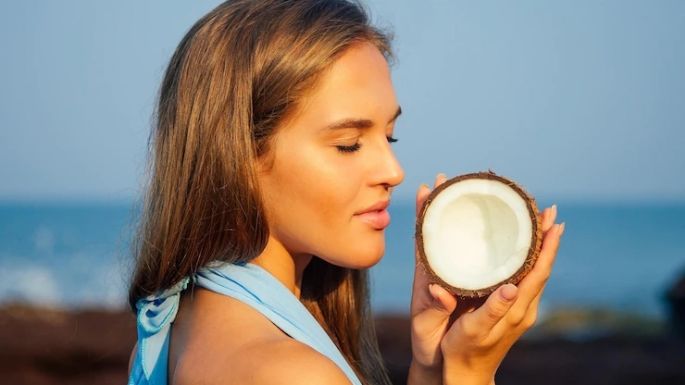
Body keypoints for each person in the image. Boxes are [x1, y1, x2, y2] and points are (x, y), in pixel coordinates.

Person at [127, 1, 565, 384]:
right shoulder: (291, 375)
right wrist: (471, 375)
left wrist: (433, 369)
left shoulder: (176, 323)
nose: (394, 171)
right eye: (348, 144)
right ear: (237, 156)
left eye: (389, 137)